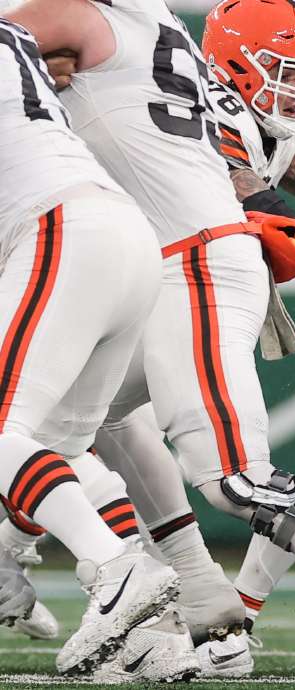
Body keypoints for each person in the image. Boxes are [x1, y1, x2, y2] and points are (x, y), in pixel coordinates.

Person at [3, 0, 295, 683]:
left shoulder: (92, 24)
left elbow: (23, 39)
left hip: (190, 262)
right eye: (282, 72)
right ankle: (189, 611)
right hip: (170, 261)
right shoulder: (162, 35)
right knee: (101, 420)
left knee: (233, 477)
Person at [0, 15, 184, 678]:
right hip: (119, 236)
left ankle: (113, 568)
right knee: (54, 451)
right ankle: (154, 637)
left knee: (3, 431)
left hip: (62, 230)